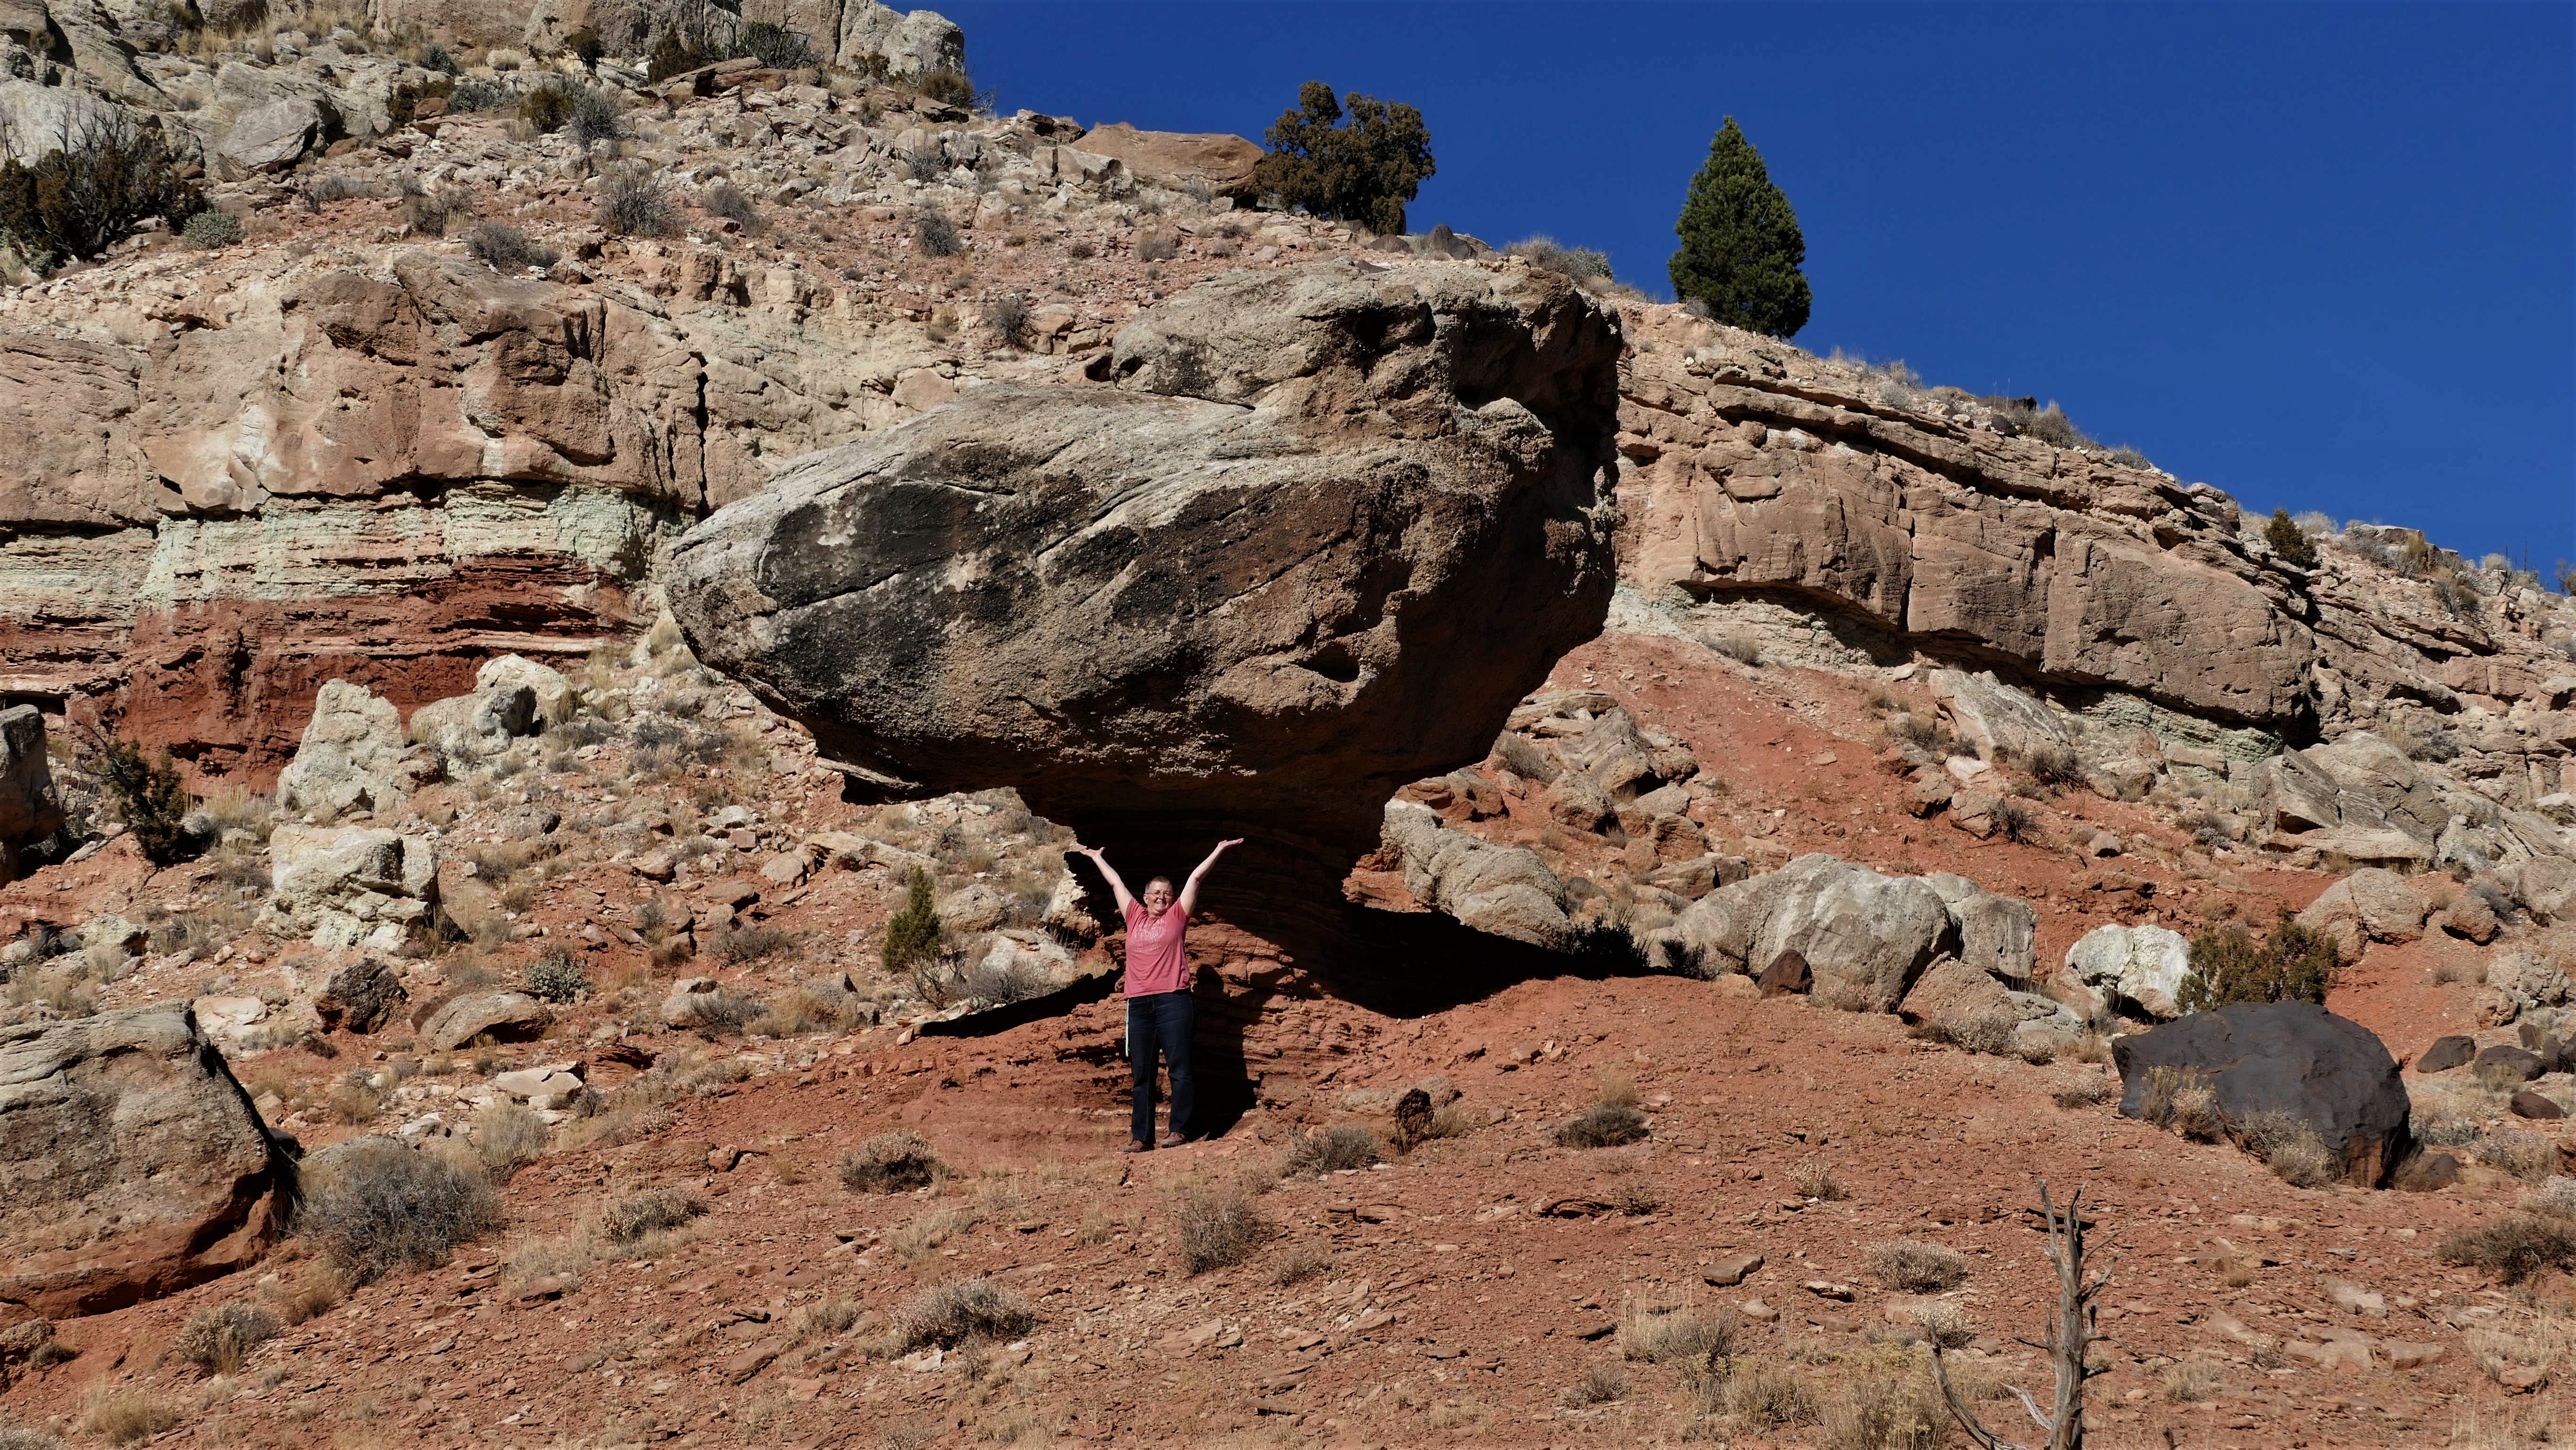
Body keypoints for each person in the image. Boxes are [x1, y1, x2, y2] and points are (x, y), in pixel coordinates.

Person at [1072, 837, 1242, 1152]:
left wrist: (1218, 850)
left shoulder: (1177, 917)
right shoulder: (1134, 916)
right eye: (1157, 893)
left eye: (1167, 893)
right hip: (1138, 1004)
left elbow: (1196, 879)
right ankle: (1142, 1138)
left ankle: (1180, 1130)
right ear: (1146, 897)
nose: (1162, 897)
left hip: (1173, 1001)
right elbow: (1116, 883)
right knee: (1142, 1074)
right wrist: (1097, 858)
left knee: (1180, 1069)